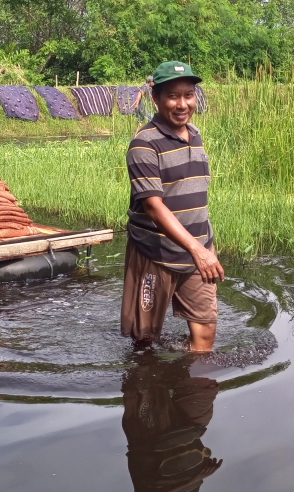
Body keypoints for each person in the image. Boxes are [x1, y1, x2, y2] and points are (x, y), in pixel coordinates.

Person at [122, 61, 224, 352]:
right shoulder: (143, 144)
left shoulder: (195, 134)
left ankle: (194, 393)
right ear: (155, 98)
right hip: (155, 252)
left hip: (198, 250)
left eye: (189, 95)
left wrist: (203, 249)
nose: (182, 104)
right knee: (144, 340)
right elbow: (153, 206)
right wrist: (197, 251)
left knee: (205, 333)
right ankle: (145, 391)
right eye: (173, 96)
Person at [122, 353, 222, 492]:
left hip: (155, 440)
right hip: (192, 431)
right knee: (207, 385)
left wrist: (197, 478)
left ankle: (141, 340)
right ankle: (179, 354)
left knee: (145, 371)